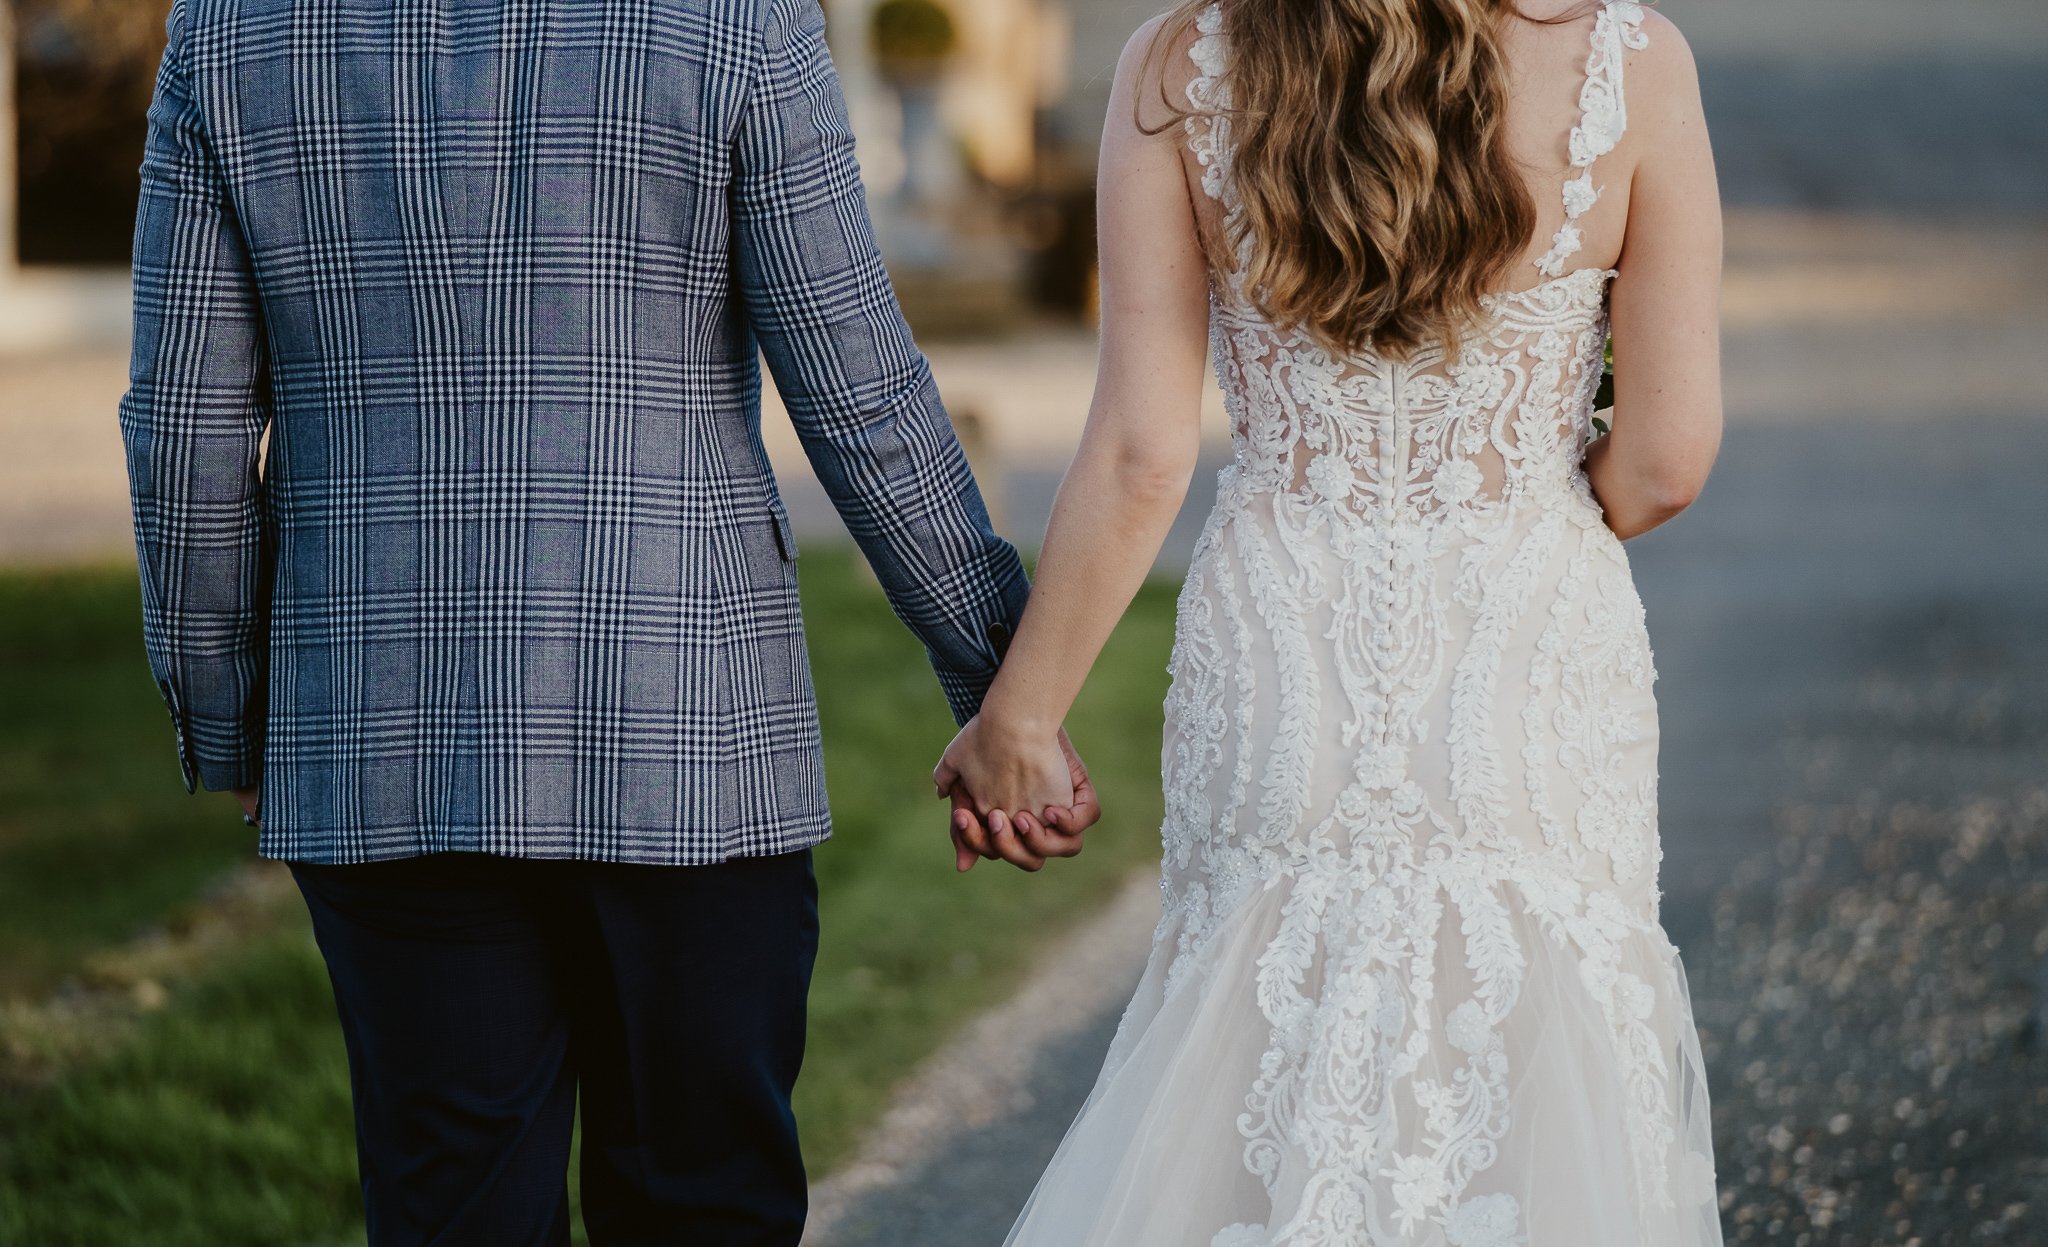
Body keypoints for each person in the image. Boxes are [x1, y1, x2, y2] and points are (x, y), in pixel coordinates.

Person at [116, 0, 1093, 1242]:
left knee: (450, 1205)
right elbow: (862, 391)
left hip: (384, 739)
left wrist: (232, 720)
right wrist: (1010, 694)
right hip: (686, 737)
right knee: (703, 1205)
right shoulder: (737, 20)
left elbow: (182, 437)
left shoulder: (232, 33)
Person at [936, 0, 1727, 1241]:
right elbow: (1665, 460)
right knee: (1542, 1033)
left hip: (1285, 630)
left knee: (1263, 1033)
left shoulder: (1179, 64)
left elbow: (1144, 453)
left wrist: (1019, 719)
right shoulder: (1629, 58)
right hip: (1525, 640)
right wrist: (1517, 487)